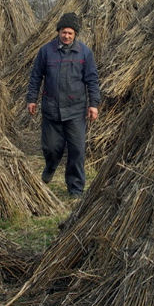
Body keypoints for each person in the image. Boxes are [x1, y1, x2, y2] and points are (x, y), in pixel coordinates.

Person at [26, 12, 100, 198]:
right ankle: (50, 167)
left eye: (70, 33)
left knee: (77, 151)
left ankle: (75, 189)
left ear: (75, 35)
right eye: (64, 32)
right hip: (51, 109)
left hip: (75, 110)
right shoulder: (46, 51)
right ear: (58, 31)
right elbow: (36, 77)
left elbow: (92, 80)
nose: (66, 36)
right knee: (51, 148)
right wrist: (32, 99)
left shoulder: (84, 53)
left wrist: (94, 104)